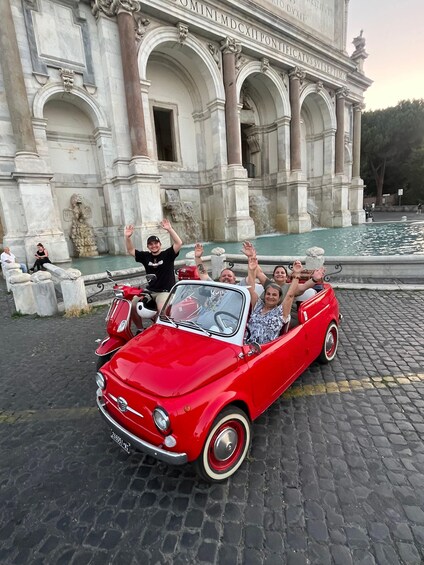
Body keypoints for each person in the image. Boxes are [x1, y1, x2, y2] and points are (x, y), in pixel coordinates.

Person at [124, 219, 182, 327]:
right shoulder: (146, 256)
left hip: (165, 292)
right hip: (150, 291)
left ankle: (163, 331)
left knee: (161, 309)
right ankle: (140, 330)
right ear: (148, 247)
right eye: (150, 244)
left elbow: (179, 243)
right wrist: (127, 237)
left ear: (160, 244)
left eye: (156, 243)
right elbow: (131, 250)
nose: (153, 246)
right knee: (132, 305)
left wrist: (170, 229)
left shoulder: (168, 254)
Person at [245, 255, 303, 344]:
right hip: (246, 344)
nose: (270, 297)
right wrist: (251, 269)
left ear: (279, 298)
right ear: (264, 295)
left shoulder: (281, 311)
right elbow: (250, 289)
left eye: (274, 295)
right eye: (268, 294)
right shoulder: (258, 306)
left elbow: (290, 295)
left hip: (265, 349)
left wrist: (296, 275)